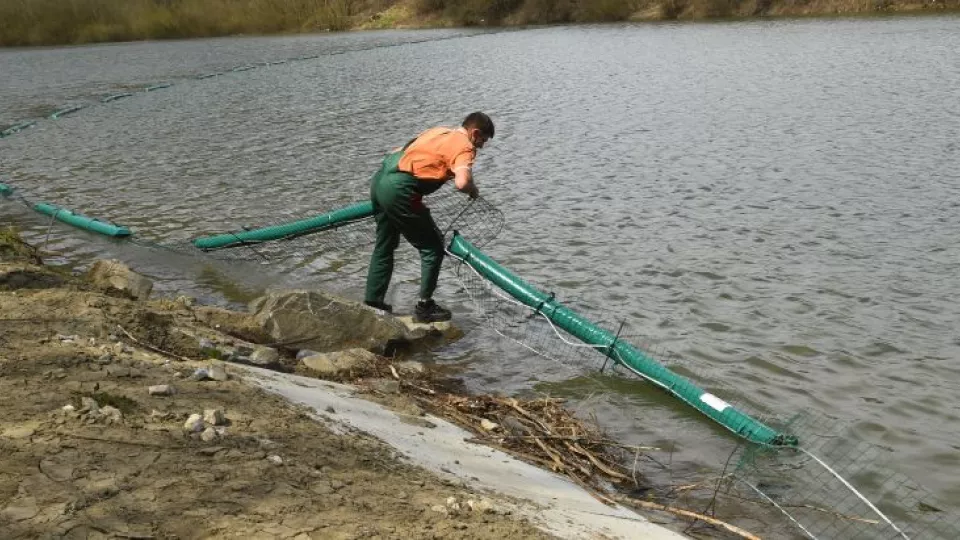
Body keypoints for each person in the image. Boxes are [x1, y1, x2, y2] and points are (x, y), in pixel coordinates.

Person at [363, 112, 495, 323]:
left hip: (379, 181)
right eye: (483, 140)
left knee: (385, 244)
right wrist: (473, 189)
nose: (481, 146)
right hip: (400, 190)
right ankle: (425, 306)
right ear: (475, 132)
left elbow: (399, 151)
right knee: (433, 247)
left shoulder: (437, 131)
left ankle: (372, 302)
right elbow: (462, 182)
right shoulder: (464, 146)